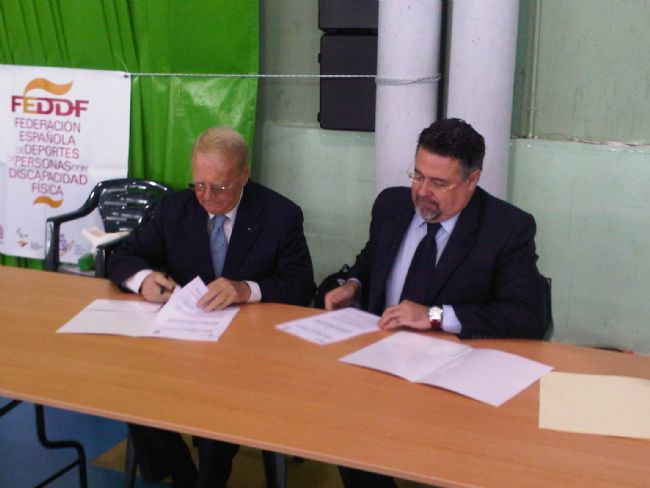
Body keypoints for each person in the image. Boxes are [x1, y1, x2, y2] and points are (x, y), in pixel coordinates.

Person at [325, 118, 549, 488]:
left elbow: (527, 315)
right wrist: (354, 283)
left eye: (439, 183)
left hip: (453, 381)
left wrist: (433, 315)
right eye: (418, 175)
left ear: (472, 180)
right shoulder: (391, 206)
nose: (422, 191)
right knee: (345, 439)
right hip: (379, 365)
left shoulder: (506, 228)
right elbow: (371, 258)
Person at [107, 126, 315, 488]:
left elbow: (301, 286)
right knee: (131, 390)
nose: (205, 197)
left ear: (244, 174)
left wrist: (246, 289)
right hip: (183, 341)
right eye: (198, 184)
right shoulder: (175, 208)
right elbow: (124, 256)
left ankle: (210, 478)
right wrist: (144, 279)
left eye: (219, 187)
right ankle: (183, 475)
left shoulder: (280, 215)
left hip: (248, 351)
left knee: (219, 408)